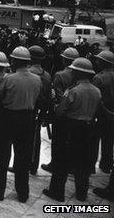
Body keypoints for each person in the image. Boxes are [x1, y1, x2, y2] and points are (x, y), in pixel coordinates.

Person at [0, 47, 41, 203]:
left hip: (8, 118)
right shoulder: (37, 79)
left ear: (15, 61)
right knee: (23, 157)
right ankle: (23, 193)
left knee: (1, 155)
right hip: (28, 119)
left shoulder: (9, 79)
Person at [43, 58, 101, 202]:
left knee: (62, 161)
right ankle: (82, 193)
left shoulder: (73, 91)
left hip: (71, 128)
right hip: (88, 128)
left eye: (74, 71)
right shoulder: (96, 91)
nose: (72, 73)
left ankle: (57, 192)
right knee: (83, 163)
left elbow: (60, 111)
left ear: (79, 73)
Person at [41, 47, 79, 173]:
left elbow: (55, 96)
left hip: (61, 113)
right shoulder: (79, 74)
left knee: (58, 142)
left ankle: (54, 164)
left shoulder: (60, 75)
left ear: (64, 60)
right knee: (71, 141)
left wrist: (51, 112)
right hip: (75, 113)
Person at [27, 45, 52, 175]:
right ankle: (33, 165)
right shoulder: (47, 76)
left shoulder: (27, 73)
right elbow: (48, 99)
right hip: (39, 111)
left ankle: (23, 165)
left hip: (27, 110)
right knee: (36, 140)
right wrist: (43, 115)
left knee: (22, 140)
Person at [92, 50, 114, 174]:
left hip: (101, 113)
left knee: (93, 140)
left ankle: (90, 164)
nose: (96, 62)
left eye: (99, 60)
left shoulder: (99, 77)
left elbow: (96, 98)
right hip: (112, 113)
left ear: (104, 63)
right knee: (109, 140)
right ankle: (106, 164)